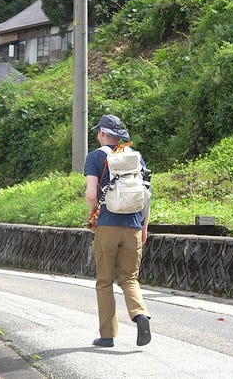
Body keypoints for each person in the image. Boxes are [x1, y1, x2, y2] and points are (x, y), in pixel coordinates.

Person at [84, 114, 151, 348]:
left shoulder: (95, 157)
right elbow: (146, 195)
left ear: (103, 133)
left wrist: (92, 215)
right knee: (130, 279)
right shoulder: (136, 157)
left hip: (107, 225)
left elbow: (92, 194)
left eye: (97, 132)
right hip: (133, 226)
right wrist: (144, 226)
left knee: (104, 281)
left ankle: (107, 335)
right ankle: (140, 315)